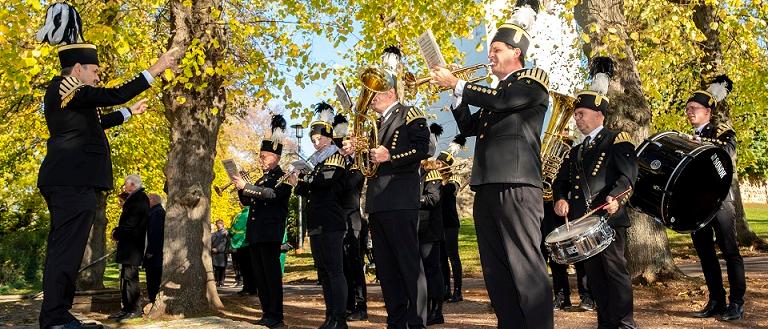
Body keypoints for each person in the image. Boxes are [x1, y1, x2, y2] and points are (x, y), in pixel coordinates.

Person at [34, 3, 178, 328]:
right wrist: (154, 70)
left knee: (68, 252)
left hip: (75, 183)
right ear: (77, 70)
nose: (98, 75)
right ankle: (54, 317)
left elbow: (100, 121)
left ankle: (58, 314)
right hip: (71, 182)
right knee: (65, 252)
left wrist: (131, 113)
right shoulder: (65, 87)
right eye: (94, 70)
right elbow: (113, 95)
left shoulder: (74, 98)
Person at [429, 2, 553, 327]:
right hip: (486, 185)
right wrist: (457, 96)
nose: (490, 56)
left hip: (516, 185)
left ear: (516, 52)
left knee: (525, 267)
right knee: (496, 270)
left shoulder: (531, 82)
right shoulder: (495, 91)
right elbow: (470, 128)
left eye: (496, 49)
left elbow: (502, 102)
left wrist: (458, 85)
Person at [342, 46, 430, 328]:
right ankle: (396, 321)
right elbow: (367, 161)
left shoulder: (409, 113)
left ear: (391, 93)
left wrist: (390, 156)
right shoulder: (373, 123)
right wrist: (355, 149)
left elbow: (423, 148)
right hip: (378, 202)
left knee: (408, 264)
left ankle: (416, 322)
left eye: (376, 93)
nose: (371, 98)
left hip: (401, 198)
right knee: (387, 268)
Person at [553, 56, 638, 329]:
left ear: (598, 115)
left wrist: (615, 199)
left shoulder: (616, 139)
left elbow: (628, 176)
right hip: (581, 223)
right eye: (576, 114)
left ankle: (624, 323)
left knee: (616, 274)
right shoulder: (576, 150)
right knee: (593, 276)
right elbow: (560, 181)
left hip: (609, 218)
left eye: (581, 114)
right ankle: (605, 322)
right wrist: (561, 198)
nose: (576, 119)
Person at [684, 75, 745, 321]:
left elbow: (727, 155)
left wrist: (701, 143)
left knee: (730, 252)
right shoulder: (685, 136)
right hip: (696, 204)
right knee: (705, 253)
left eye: (694, 109)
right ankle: (716, 300)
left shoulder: (721, 131)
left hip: (720, 201)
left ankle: (737, 303)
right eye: (687, 109)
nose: (689, 112)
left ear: (708, 111)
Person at [290, 102, 349, 329]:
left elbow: (327, 181)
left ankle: (340, 318)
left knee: (335, 271)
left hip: (331, 221)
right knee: (323, 272)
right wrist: (298, 182)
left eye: (319, 138)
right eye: (313, 139)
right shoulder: (314, 163)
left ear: (329, 137)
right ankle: (330, 316)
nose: (315, 142)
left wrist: (306, 179)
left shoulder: (334, 157)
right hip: (316, 220)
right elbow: (309, 189)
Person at [232, 113, 292, 329]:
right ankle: (267, 313)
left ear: (275, 157)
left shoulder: (281, 177)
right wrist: (241, 186)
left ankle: (277, 316)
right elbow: (247, 201)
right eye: (260, 156)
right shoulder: (261, 178)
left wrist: (247, 187)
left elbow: (270, 195)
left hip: (270, 234)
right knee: (260, 277)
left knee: (272, 277)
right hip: (256, 234)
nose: (261, 160)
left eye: (264, 156)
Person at [333, 114, 369, 321]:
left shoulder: (359, 163)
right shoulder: (342, 163)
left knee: (355, 263)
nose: (344, 146)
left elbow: (348, 185)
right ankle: (347, 305)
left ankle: (361, 305)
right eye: (342, 143)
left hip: (353, 218)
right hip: (339, 218)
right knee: (343, 264)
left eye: (347, 142)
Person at [109, 175, 150, 321]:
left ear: (132, 185)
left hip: (133, 245)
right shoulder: (135, 198)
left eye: (125, 184)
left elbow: (131, 223)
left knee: (131, 278)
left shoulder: (139, 198)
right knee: (126, 277)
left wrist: (117, 234)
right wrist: (116, 231)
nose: (124, 187)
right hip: (128, 244)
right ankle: (126, 308)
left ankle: (135, 309)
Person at [541, 201, 593, 311]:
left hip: (570, 207)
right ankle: (562, 297)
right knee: (555, 255)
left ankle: (587, 297)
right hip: (547, 209)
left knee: (578, 254)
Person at [437, 136, 465, 303]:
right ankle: (446, 289)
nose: (437, 166)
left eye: (439, 164)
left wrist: (439, 181)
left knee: (453, 256)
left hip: (450, 223)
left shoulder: (454, 179)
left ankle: (458, 290)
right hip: (438, 223)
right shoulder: (435, 179)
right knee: (441, 258)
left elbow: (449, 192)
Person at [418, 158, 445, 325]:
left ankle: (436, 311)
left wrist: (412, 199)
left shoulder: (431, 174)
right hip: (417, 230)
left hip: (429, 231)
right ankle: (424, 309)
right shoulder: (416, 174)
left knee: (432, 270)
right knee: (421, 272)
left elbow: (433, 199)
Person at [143, 193, 166, 306]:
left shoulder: (156, 212)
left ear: (152, 200)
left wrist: (150, 251)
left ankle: (153, 300)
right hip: (156, 253)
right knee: (153, 278)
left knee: (153, 279)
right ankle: (152, 299)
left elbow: (155, 233)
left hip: (155, 254)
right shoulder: (157, 212)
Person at [230, 206, 257, 296]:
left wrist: (232, 235)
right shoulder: (255, 212)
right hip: (253, 243)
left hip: (241, 244)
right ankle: (254, 288)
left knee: (244, 268)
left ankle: (247, 288)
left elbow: (233, 229)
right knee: (253, 267)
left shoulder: (240, 215)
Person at [211, 219, 229, 287]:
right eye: (217, 223)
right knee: (216, 268)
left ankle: (221, 281)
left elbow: (224, 243)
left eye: (219, 223)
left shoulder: (225, 233)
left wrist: (217, 249)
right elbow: (211, 241)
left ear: (222, 224)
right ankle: (217, 281)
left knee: (222, 267)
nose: (218, 225)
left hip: (222, 252)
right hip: (215, 253)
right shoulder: (215, 233)